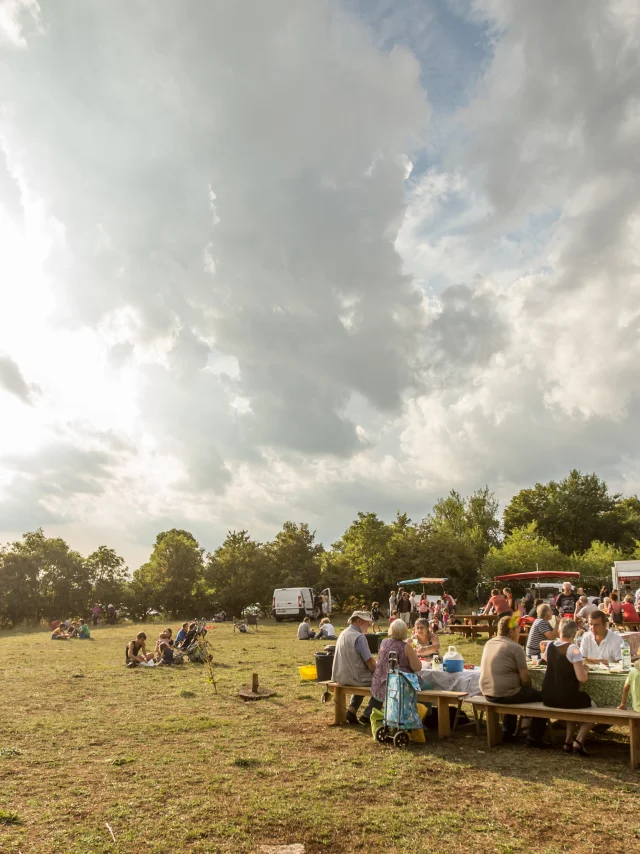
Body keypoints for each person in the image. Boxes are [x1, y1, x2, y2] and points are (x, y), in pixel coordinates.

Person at [479, 615, 546, 746]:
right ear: (511, 631)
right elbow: (525, 678)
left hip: (487, 691)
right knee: (542, 697)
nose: (519, 631)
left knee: (514, 690)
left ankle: (507, 732)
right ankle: (534, 737)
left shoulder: (489, 643)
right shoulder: (516, 648)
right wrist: (529, 689)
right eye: (518, 628)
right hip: (503, 693)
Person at [542, 619, 593, 755]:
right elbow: (582, 678)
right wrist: (585, 669)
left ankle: (567, 741)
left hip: (549, 696)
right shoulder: (573, 649)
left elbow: (547, 659)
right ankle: (579, 741)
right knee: (596, 707)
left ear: (560, 631)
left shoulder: (550, 645)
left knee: (572, 705)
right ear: (574, 633)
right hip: (566, 696)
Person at [369, 618, 422, 724]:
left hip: (380, 681)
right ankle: (423, 716)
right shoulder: (406, 647)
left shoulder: (383, 643)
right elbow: (417, 667)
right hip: (398, 684)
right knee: (427, 686)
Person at [331, 611, 377, 725]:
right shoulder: (359, 637)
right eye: (367, 622)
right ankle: (367, 715)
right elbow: (369, 661)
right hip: (356, 677)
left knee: (362, 676)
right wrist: (378, 672)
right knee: (384, 683)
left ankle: (352, 710)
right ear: (359, 621)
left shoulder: (343, 633)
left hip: (341, 677)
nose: (369, 625)